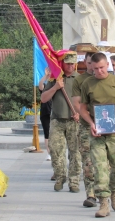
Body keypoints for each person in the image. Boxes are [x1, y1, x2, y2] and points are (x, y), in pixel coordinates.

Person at [80, 52, 115, 217]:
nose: (99, 71)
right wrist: (91, 123)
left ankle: (114, 191)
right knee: (100, 166)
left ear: (107, 65)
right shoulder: (87, 84)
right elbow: (82, 108)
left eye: (102, 67)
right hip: (97, 133)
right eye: (95, 68)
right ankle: (103, 203)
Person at [41, 52, 81, 193]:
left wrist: (80, 114)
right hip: (57, 120)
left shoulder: (80, 80)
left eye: (72, 64)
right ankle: (60, 177)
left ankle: (74, 180)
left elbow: (86, 101)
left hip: (74, 121)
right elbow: (44, 98)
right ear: (62, 64)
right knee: (56, 151)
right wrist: (55, 87)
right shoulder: (55, 79)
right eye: (67, 63)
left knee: (75, 152)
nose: (70, 66)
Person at [72, 52, 97, 207]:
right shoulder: (79, 80)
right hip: (86, 126)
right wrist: (89, 119)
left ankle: (106, 192)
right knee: (87, 161)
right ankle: (91, 195)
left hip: (105, 127)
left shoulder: (107, 79)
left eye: (93, 63)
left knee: (105, 163)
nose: (91, 66)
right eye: (88, 63)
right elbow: (77, 104)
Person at [38, 67, 52, 162]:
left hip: (55, 113)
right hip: (45, 113)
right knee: (47, 134)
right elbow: (40, 85)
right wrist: (45, 76)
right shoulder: (45, 88)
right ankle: (49, 153)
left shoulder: (55, 87)